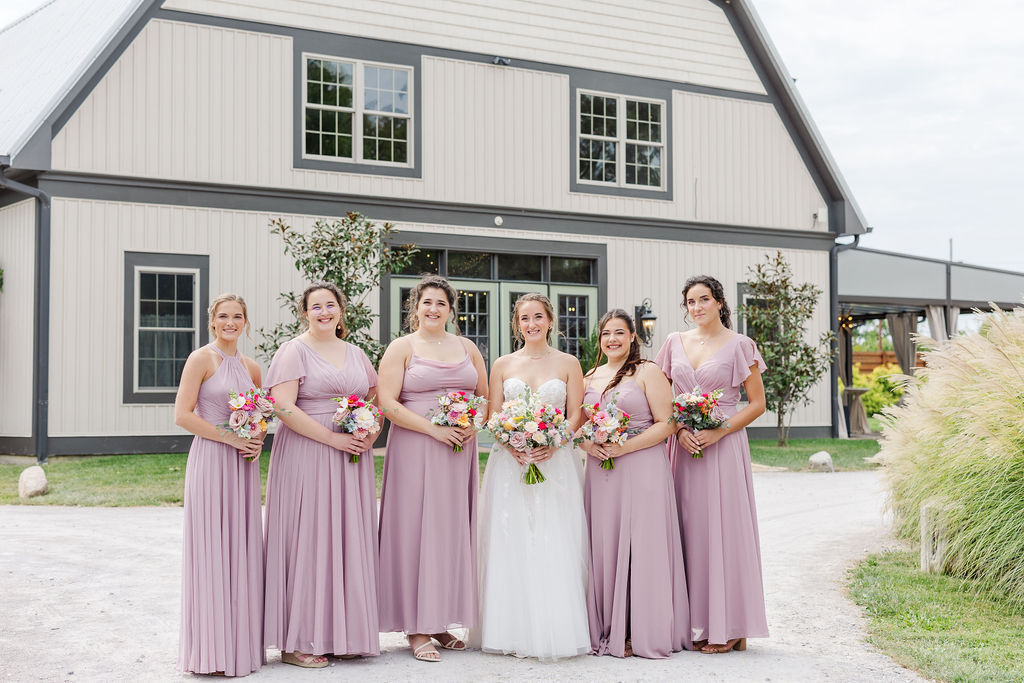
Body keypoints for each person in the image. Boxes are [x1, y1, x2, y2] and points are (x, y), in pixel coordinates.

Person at [263, 283, 382, 668]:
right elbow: (282, 407)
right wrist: (332, 438)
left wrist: (369, 431)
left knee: (346, 538)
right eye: (316, 306)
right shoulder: (293, 351)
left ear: (341, 311)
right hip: (308, 454)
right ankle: (297, 640)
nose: (324, 312)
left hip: (351, 457)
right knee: (310, 537)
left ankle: (341, 634)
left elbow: (375, 401)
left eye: (331, 305)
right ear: (304, 312)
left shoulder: (357, 353)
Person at [376, 275, 489, 662]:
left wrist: (472, 426)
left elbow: (485, 397)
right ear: (415, 307)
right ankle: (416, 626)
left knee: (448, 531)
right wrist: (434, 430)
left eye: (441, 303)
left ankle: (439, 619)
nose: (434, 309)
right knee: (414, 530)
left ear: (451, 309)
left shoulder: (468, 347)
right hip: (415, 448)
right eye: (427, 302)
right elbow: (388, 404)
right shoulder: (401, 347)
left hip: (457, 452)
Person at [654, 275, 769, 654]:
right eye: (691, 302)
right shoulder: (674, 342)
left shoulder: (740, 345)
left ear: (720, 302)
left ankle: (731, 625)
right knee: (687, 530)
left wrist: (718, 432)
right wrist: (680, 429)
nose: (697, 307)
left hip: (723, 446)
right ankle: (692, 622)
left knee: (725, 531)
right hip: (683, 446)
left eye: (705, 299)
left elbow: (756, 403)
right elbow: (661, 397)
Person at [474, 293, 590, 660]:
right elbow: (494, 414)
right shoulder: (503, 364)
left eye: (538, 317)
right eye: (524, 318)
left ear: (550, 320)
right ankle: (509, 629)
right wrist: (512, 444)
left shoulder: (569, 363)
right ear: (517, 324)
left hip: (556, 461)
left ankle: (559, 627)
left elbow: (576, 414)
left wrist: (554, 443)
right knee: (512, 538)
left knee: (555, 537)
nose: (531, 324)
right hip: (511, 463)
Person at [580, 310, 691, 658]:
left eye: (619, 333)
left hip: (642, 467)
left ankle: (641, 628)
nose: (612, 339)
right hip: (601, 472)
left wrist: (624, 446)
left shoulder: (647, 371)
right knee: (607, 546)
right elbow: (578, 426)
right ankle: (610, 627)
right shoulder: (588, 377)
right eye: (606, 334)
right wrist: (588, 444)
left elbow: (668, 422)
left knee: (642, 546)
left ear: (632, 337)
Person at [176, 293, 265, 677]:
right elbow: (181, 415)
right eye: (223, 316)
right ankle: (210, 650)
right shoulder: (201, 359)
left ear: (246, 322)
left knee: (241, 549)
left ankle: (239, 647)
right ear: (212, 321)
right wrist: (229, 438)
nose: (230, 322)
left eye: (238, 316)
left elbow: (259, 416)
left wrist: (257, 442)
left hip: (242, 468)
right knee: (212, 549)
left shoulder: (252, 367)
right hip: (212, 461)